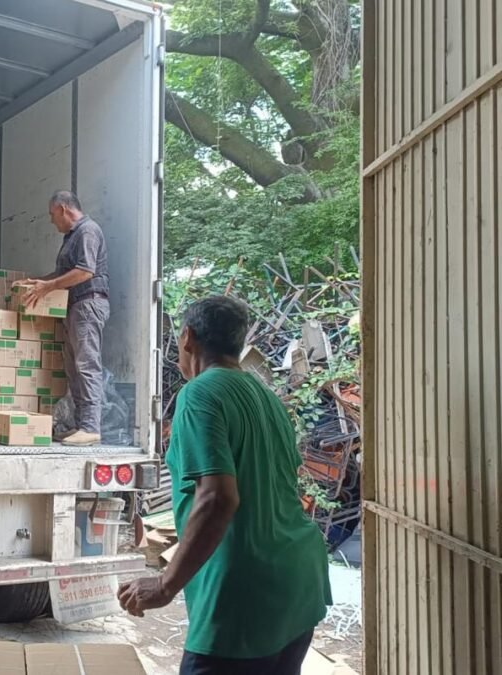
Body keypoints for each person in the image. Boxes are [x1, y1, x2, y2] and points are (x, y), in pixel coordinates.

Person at [117, 296, 331, 675]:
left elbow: (218, 498)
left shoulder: (199, 394)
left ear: (188, 338)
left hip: (244, 596)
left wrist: (165, 585)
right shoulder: (267, 397)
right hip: (299, 583)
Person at [23, 190, 109, 446]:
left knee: (87, 366)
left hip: (88, 304)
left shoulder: (87, 231)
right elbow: (64, 273)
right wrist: (39, 283)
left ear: (62, 209)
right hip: (75, 307)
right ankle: (79, 425)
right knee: (73, 370)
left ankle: (91, 427)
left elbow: (84, 271)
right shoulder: (72, 236)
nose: (52, 221)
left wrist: (48, 288)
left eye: (52, 215)